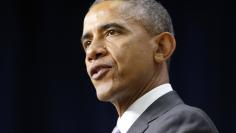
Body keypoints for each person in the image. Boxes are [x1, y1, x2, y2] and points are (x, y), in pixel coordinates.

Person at [81, 0, 219, 132]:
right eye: (87, 43)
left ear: (161, 47)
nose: (92, 51)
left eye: (111, 32)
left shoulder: (184, 123)